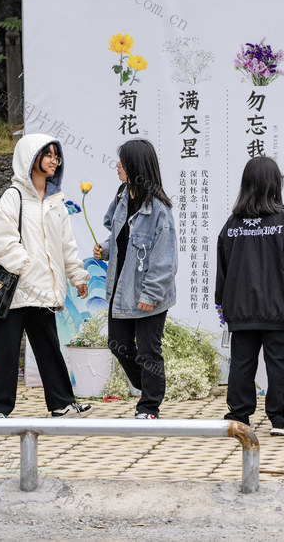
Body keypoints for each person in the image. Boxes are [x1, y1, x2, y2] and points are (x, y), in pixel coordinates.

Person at [0, 133, 92, 419]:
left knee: (49, 347)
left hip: (44, 290)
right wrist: (24, 264)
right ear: (31, 158)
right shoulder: (14, 196)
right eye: (48, 155)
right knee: (6, 349)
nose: (54, 161)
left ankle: (62, 404)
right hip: (17, 289)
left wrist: (77, 276)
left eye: (57, 156)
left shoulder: (57, 201)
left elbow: (66, 245)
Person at [215, 156, 284, 436]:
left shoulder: (232, 223)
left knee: (241, 364)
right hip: (278, 310)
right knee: (278, 366)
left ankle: (238, 418)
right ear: (274, 184)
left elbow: (223, 266)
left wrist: (223, 301)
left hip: (241, 310)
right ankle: (281, 421)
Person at [94, 139, 177, 420]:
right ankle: (150, 386)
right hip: (121, 289)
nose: (117, 166)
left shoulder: (159, 210)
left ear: (136, 167)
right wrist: (105, 249)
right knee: (117, 344)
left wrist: (150, 295)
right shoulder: (121, 196)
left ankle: (149, 407)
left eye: (123, 162)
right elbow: (119, 235)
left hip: (147, 293)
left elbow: (165, 260)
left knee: (148, 350)